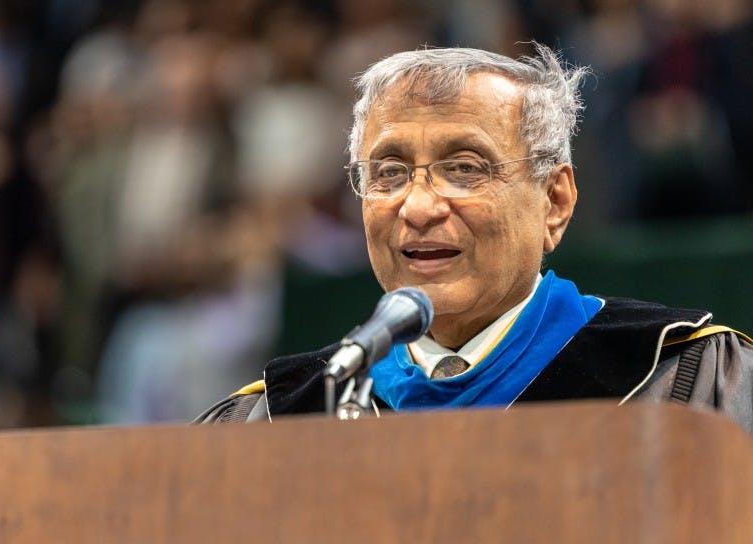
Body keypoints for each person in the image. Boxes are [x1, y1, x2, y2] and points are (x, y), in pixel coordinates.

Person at [197, 44, 753, 433]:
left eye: (464, 168)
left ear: (555, 202)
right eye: (388, 173)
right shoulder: (273, 419)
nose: (417, 207)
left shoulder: (694, 384)